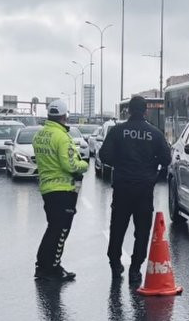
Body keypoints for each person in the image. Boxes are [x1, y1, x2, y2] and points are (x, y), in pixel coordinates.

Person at [99, 95, 172, 286]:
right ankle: (135, 270)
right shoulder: (155, 134)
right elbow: (166, 160)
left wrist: (121, 163)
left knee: (117, 228)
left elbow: (103, 155)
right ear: (145, 111)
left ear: (128, 111)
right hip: (144, 189)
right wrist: (150, 165)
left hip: (122, 187)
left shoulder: (117, 131)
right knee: (142, 231)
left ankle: (115, 264)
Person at [33, 99, 89, 282]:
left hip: (47, 188)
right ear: (64, 116)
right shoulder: (62, 137)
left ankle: (43, 265)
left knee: (53, 228)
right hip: (63, 190)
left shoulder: (40, 135)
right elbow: (70, 164)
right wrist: (84, 165)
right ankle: (53, 268)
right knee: (61, 230)